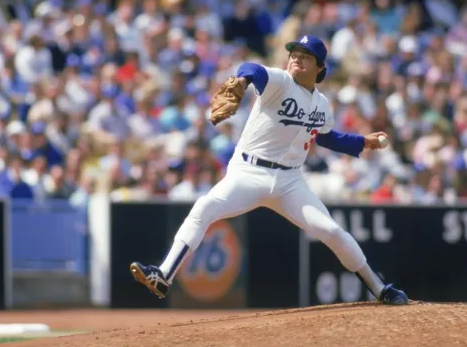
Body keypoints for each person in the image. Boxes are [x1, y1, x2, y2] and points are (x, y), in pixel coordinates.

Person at [130, 35, 409, 305]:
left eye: (305, 57)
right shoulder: (281, 81)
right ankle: (164, 274)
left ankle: (379, 287)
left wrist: (363, 143)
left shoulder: (322, 105)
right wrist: (242, 80)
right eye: (294, 55)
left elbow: (325, 136)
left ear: (320, 67)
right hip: (248, 172)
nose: (296, 60)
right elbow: (252, 70)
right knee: (205, 207)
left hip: (289, 181)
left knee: (333, 232)